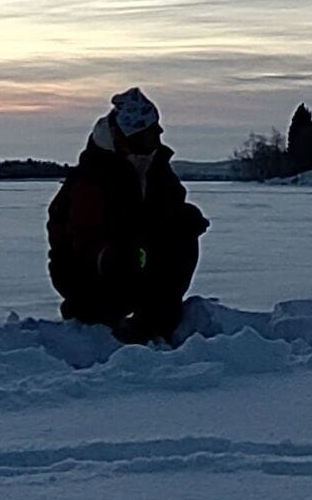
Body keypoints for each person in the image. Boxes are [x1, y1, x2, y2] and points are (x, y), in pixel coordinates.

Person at [46, 87, 209, 344]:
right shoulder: (92, 178)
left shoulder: (156, 167)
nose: (160, 133)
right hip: (89, 271)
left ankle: (156, 320)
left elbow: (171, 205)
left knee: (184, 224)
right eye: (151, 129)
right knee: (126, 253)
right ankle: (95, 315)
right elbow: (82, 240)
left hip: (136, 254)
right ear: (130, 135)